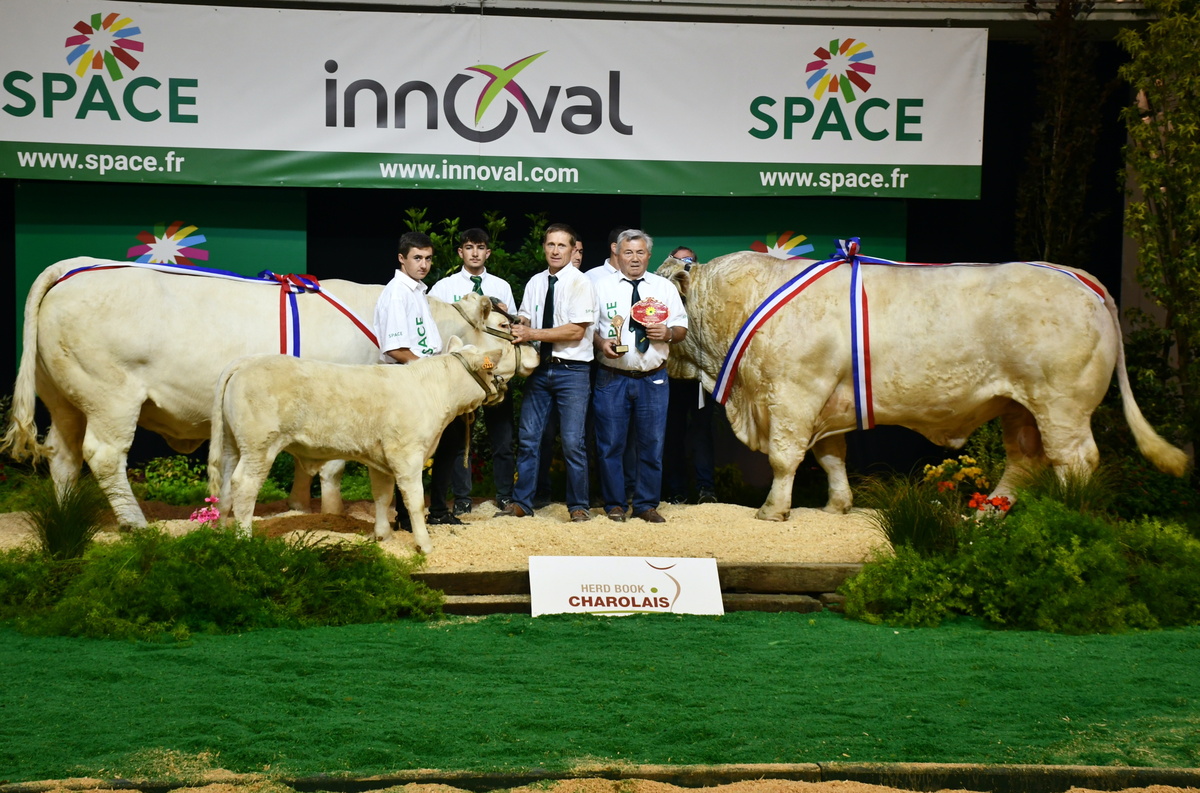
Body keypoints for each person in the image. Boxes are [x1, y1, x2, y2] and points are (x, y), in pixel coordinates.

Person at [498, 223, 597, 522]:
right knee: (529, 439)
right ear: (544, 248)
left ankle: (578, 505)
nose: (555, 251)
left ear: (572, 250)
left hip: (573, 372)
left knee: (572, 442)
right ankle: (521, 503)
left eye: (562, 246)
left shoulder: (581, 283)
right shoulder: (535, 282)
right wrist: (514, 321)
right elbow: (527, 315)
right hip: (539, 370)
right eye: (550, 245)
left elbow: (576, 331)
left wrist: (531, 333)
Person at [592, 229, 688, 523]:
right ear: (617, 255)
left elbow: (682, 328)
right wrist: (601, 343)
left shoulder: (664, 288)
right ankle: (615, 504)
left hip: (653, 379)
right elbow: (588, 328)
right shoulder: (600, 287)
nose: (634, 258)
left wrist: (668, 333)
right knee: (610, 445)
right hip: (612, 377)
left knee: (652, 444)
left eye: (640, 252)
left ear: (649, 255)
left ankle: (646, 504)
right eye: (628, 253)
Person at [374, 231, 460, 528]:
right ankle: (407, 517)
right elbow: (394, 347)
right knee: (408, 449)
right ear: (402, 259)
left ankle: (434, 510)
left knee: (440, 443)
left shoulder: (416, 290)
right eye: (417, 258)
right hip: (407, 381)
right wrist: (429, 370)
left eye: (428, 258)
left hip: (423, 378)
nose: (423, 264)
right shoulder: (397, 293)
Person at [429, 228, 518, 514]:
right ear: (460, 252)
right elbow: (433, 323)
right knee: (458, 440)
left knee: (502, 438)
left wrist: (508, 313)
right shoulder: (444, 287)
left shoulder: (501, 286)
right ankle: (463, 499)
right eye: (469, 247)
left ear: (488, 252)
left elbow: (513, 327)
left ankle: (505, 495)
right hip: (462, 373)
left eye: (480, 247)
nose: (475, 252)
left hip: (495, 370)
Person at [661, 245, 719, 504]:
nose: (685, 265)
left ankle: (707, 490)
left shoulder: (707, 297)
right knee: (672, 434)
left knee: (701, 432)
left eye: (690, 261)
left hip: (699, 378)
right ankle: (676, 491)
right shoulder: (661, 291)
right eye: (679, 260)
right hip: (672, 377)